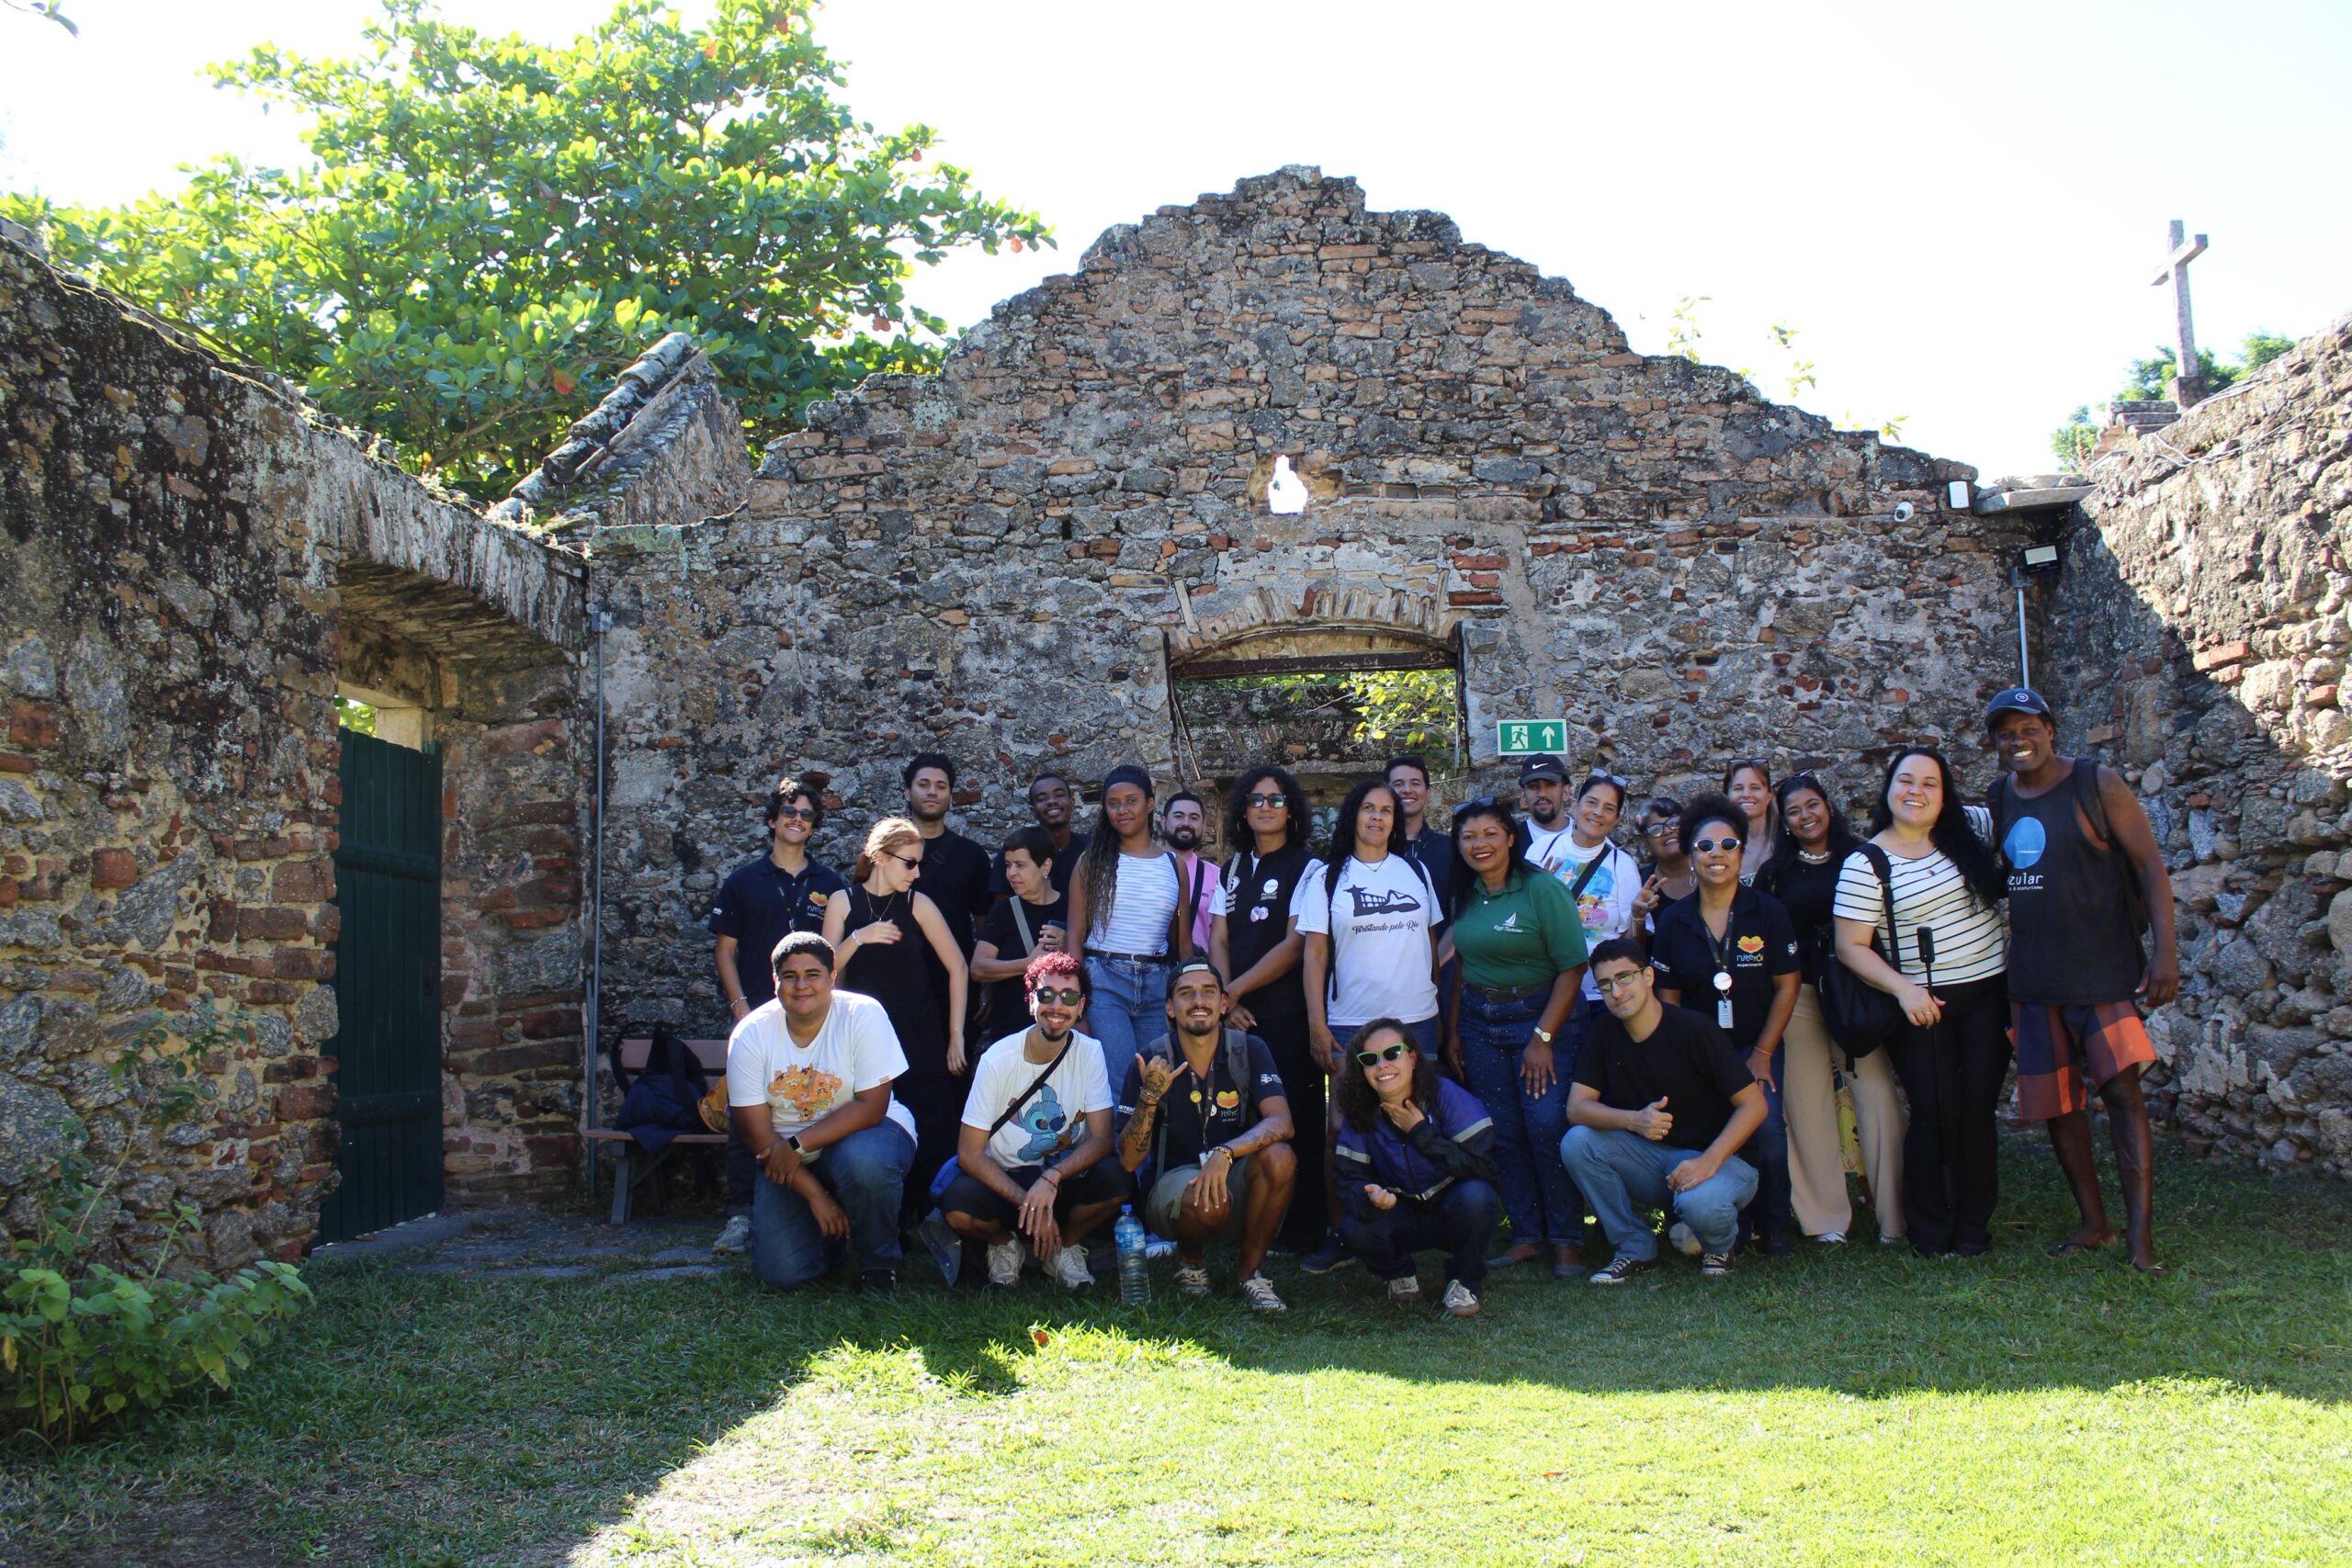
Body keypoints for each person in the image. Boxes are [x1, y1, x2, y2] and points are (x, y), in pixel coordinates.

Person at [1986, 687, 2177, 1274]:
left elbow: (2149, 866)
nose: (2018, 741)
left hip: (2101, 975)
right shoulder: (2000, 797)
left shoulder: (2097, 783)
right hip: (2035, 980)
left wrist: (2165, 953)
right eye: (2005, 734)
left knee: (2122, 1096)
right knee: (2061, 1108)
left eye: (2027, 729)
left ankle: (2140, 1239)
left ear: (2049, 727)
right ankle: (2093, 1222)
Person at [1832, 747, 2010, 1257]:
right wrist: (1904, 989)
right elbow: (1850, 946)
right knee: (1934, 1111)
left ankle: (1974, 1228)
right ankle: (1930, 1231)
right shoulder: (1867, 862)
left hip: (1988, 994)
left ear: (1946, 792)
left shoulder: (1973, 828)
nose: (1917, 792)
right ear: (1888, 790)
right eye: (1906, 781)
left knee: (1977, 1111)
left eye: (1930, 783)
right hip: (1921, 1005)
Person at [1298, 777, 1442, 1271]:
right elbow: (1314, 955)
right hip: (1349, 1024)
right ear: (1352, 817)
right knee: (1341, 1129)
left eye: (1387, 810)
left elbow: (1431, 943)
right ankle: (1343, 1232)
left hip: (1418, 1021)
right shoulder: (1327, 877)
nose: (1378, 817)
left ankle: (1423, 1228)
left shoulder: (1416, 872)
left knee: (1418, 1125)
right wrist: (1318, 1025)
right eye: (1368, 809)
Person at [1442, 796, 1591, 1277]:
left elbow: (1573, 968)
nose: (1478, 844)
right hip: (1480, 1023)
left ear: (1510, 837)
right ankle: (1527, 1234)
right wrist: (1454, 1031)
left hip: (1540, 1017)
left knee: (1546, 1124)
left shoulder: (1542, 890)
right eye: (1468, 837)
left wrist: (1543, 1039)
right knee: (1502, 1132)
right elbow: (1462, 963)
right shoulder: (1465, 891)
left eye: (1489, 834)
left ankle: (1567, 1237)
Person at [1562, 939, 1769, 1282]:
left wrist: (1709, 1161)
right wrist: (1634, 1120)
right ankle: (1634, 1246)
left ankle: (1720, 1244)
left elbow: (1754, 1105)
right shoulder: (1604, 1032)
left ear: (1648, 977)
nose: (1616, 991)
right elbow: (1577, 1108)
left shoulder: (1695, 1030)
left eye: (1625, 977)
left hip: (1723, 1160)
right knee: (1577, 1142)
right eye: (1605, 984)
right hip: (1656, 1163)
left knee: (1701, 1204)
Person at [1757, 773, 1906, 1245]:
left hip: (1856, 994)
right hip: (1799, 996)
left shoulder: (1863, 857)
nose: (1806, 816)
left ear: (1829, 805)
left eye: (1812, 805)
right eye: (1795, 810)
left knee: (1878, 1098)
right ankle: (1824, 1221)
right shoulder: (1776, 873)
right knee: (1807, 1106)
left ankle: (1895, 1218)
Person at [1649, 793, 1802, 1254]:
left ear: (1742, 851)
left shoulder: (1768, 912)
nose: (1717, 854)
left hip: (1755, 1048)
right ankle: (1714, 1223)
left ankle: (1774, 1224)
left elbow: (1787, 987)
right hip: (1700, 1057)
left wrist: (1762, 1055)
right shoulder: (1674, 921)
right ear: (1690, 856)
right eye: (1705, 846)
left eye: (1728, 844)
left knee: (1769, 1129)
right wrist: (1685, 1063)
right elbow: (1668, 1000)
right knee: (1707, 1130)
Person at [725, 932, 917, 1292]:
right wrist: (817, 1197)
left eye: (813, 974)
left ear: (832, 977)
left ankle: (878, 1264)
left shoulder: (863, 1015)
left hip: (862, 1135)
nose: (802, 986)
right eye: (790, 976)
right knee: (783, 1275)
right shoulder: (750, 1035)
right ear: (775, 981)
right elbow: (754, 1131)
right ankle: (833, 1238)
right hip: (783, 1156)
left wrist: (795, 1145)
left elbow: (871, 1107)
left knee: (866, 1163)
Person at [705, 776, 849, 1255]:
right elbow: (725, 951)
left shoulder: (830, 884)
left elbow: (837, 958)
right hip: (758, 1016)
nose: (796, 820)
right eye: (788, 811)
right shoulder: (743, 881)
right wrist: (739, 1007)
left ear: (814, 826)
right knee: (748, 1112)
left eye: (806, 814)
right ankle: (740, 1215)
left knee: (815, 1102)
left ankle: (818, 1202)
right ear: (772, 820)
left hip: (813, 1020)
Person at [938, 951, 1128, 1290]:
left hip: (1060, 1177)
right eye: (1046, 995)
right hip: (1005, 1180)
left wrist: (1052, 1178)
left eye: (1069, 996)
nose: (1057, 1006)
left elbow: (1102, 1140)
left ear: (1081, 1007)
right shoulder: (998, 1059)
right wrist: (1029, 1201)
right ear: (1030, 1001)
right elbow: (969, 1154)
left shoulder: (1090, 1051)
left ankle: (1063, 1247)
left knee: (1117, 1180)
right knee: (958, 1205)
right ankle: (1004, 1243)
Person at [1115, 957, 1296, 1311]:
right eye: (1186, 993)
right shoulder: (1150, 1058)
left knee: (1281, 1156)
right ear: (1170, 1007)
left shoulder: (1249, 1049)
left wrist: (1225, 1153)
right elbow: (1128, 1160)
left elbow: (1281, 1123)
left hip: (1231, 1170)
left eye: (1208, 992)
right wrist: (1150, 1097)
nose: (1198, 1001)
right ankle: (1191, 1259)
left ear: (1224, 1003)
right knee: (1204, 1199)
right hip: (1173, 1187)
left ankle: (1250, 1273)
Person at [821, 818, 971, 1210]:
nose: (916, 872)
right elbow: (820, 971)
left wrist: (955, 1036)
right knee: (868, 1124)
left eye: (918, 863)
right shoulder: (843, 902)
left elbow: (958, 965)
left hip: (918, 1033)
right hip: (862, 1039)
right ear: (881, 858)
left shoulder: (917, 903)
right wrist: (860, 937)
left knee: (935, 1125)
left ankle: (940, 1215)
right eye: (909, 863)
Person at [1209, 765, 1325, 1257]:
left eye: (1276, 800)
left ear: (1292, 809)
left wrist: (1229, 994)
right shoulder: (1232, 867)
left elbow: (1295, 944)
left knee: (1295, 1117)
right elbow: (1216, 935)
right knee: (1239, 1119)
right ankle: (1246, 1221)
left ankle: (1303, 1230)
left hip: (1285, 1014)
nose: (1265, 807)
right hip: (1234, 1018)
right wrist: (1224, 1001)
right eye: (1255, 799)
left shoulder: (1310, 867)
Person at [1333, 1019, 1501, 1317]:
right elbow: (1347, 1180)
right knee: (1352, 1226)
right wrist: (1369, 1197)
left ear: (1412, 1056)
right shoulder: (1360, 1111)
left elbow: (1486, 1168)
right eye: (1370, 1060)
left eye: (1392, 1054)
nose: (1382, 1066)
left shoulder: (1446, 1096)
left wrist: (1421, 1133)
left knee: (1479, 1196)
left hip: (1453, 1210)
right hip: (1401, 1213)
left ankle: (1464, 1280)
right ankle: (1399, 1273)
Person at [1068, 764, 1192, 1091]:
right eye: (1113, 803)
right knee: (1120, 1083)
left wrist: (1189, 991)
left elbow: (1183, 942)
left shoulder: (1173, 865)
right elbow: (1075, 936)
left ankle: (1147, 1145)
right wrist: (1077, 1004)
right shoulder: (1091, 861)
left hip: (1157, 983)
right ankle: (1117, 1144)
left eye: (1131, 800)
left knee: (1157, 1083)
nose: (1122, 810)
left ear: (1151, 804)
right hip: (1104, 981)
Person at [1555, 773, 1645, 1023]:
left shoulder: (1623, 866)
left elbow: (1632, 943)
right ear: (1575, 805)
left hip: (1602, 995)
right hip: (1547, 990)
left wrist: (1638, 916)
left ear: (1616, 820)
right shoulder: (1542, 851)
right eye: (1591, 802)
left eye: (1609, 808)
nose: (1597, 812)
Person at [969, 825, 1069, 1035]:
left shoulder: (1071, 910)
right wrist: (1027, 964)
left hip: (1059, 1030)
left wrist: (1071, 943)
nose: (1011, 873)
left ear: (1045, 866)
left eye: (1020, 865)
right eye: (1008, 865)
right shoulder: (1003, 911)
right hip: (1011, 1031)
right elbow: (978, 968)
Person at [903, 752, 995, 961]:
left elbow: (984, 925)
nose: (932, 792)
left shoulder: (972, 855)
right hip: (896, 975)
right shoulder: (887, 853)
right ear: (907, 792)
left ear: (951, 798)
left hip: (954, 978)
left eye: (941, 786)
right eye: (923, 784)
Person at [991, 771, 1088, 898]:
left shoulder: (1091, 848)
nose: (1052, 801)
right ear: (1033, 810)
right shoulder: (1014, 853)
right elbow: (1001, 908)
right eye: (1041, 799)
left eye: (1059, 795)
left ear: (1072, 802)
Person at [1386, 754, 1455, 919]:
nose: (1407, 790)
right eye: (1398, 784)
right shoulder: (1370, 851)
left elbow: (1459, 914)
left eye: (1415, 783)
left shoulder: (1450, 849)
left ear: (1428, 792)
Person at [1163, 790, 1220, 958]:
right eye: (1179, 816)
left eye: (1194, 818)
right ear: (1163, 822)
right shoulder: (1146, 870)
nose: (1186, 823)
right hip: (1148, 974)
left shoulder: (1219, 877)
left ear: (1203, 825)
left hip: (1198, 975)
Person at [1630, 795, 1698, 932]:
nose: (1667, 831)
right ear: (1646, 842)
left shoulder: (1709, 871)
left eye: (1674, 823)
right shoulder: (1639, 882)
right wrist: (1638, 917)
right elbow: (1635, 947)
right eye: (1656, 829)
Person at [1515, 753, 1577, 874]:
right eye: (1533, 787)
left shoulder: (1587, 839)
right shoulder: (1511, 844)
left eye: (1550, 785)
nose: (1542, 793)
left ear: (1566, 792)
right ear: (1523, 796)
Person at [1726, 758, 1779, 885]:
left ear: (1768, 796)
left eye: (1755, 787)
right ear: (1727, 796)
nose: (1746, 794)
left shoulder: (1785, 842)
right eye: (1738, 788)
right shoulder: (1718, 847)